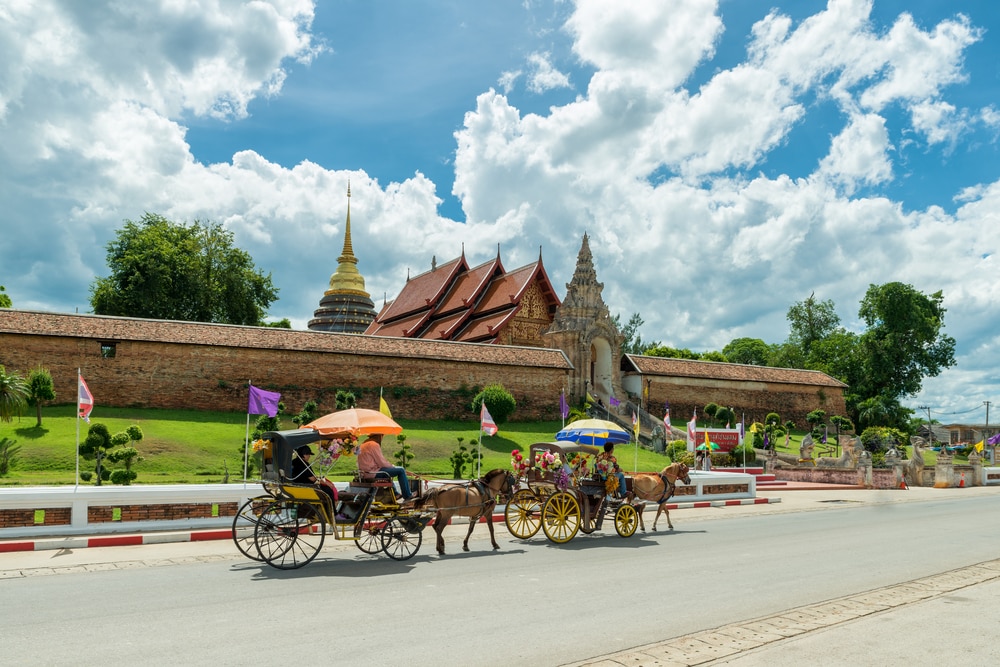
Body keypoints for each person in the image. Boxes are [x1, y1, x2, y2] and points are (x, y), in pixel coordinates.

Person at [289, 444, 344, 519]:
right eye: (308, 455)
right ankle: (333, 514)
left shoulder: (294, 462)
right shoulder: (303, 464)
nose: (309, 457)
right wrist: (326, 483)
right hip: (306, 487)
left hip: (298, 485)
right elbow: (313, 479)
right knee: (328, 491)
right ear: (304, 455)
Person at [357, 434, 413, 502]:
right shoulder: (374, 445)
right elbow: (382, 462)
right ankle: (407, 495)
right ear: (380, 436)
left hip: (365, 473)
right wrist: (393, 467)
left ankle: (395, 493)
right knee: (401, 470)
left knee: (389, 471)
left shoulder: (363, 445)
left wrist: (393, 467)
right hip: (373, 473)